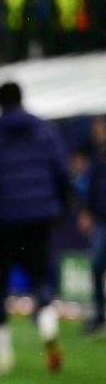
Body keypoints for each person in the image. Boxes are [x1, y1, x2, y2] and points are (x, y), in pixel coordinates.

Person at [0, 81, 72, 374]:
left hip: (4, 221)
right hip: (38, 218)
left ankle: (3, 352)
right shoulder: (43, 130)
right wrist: (60, 207)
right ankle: (48, 330)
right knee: (41, 279)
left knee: (1, 285)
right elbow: (61, 171)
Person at [79, 116, 106, 335]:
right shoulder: (98, 156)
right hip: (100, 219)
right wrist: (87, 211)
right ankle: (99, 316)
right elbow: (92, 187)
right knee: (97, 268)